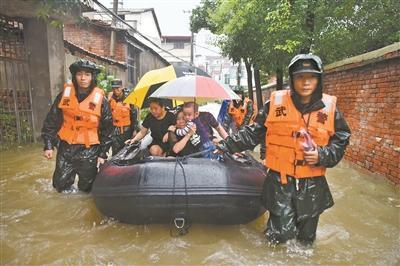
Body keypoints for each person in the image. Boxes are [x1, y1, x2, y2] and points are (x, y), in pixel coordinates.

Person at [217, 54, 351, 246]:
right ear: (292, 79)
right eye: (300, 77)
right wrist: (226, 146)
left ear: (318, 79)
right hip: (280, 181)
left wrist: (322, 155)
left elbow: (342, 138)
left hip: (312, 183)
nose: (305, 82)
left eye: (311, 77)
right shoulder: (275, 104)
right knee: (278, 238)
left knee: (306, 241)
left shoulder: (330, 108)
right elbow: (253, 133)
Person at [41, 59, 113, 193]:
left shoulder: (101, 100)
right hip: (66, 146)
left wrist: (103, 154)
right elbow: (51, 121)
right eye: (79, 74)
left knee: (86, 188)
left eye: (87, 74)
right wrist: (48, 145)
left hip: (89, 149)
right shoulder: (64, 95)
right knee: (60, 186)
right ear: (74, 76)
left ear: (92, 77)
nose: (83, 78)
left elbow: (107, 129)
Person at [109, 79, 139, 155]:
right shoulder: (110, 99)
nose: (116, 90)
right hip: (115, 131)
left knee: (127, 152)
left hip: (127, 131)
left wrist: (135, 130)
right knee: (115, 153)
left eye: (118, 88)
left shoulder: (129, 98)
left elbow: (134, 115)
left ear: (122, 87)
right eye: (114, 88)